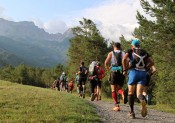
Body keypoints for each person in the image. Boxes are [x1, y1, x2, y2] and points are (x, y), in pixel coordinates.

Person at [122, 39, 154, 119]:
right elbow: (152, 62)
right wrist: (146, 68)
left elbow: (124, 59)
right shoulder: (144, 52)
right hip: (143, 74)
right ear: (139, 45)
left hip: (133, 73)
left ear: (132, 45)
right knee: (139, 93)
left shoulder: (130, 51)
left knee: (130, 92)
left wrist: (125, 70)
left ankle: (132, 112)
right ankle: (142, 100)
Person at [104, 42, 125, 111]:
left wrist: (107, 68)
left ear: (114, 46)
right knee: (119, 88)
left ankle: (116, 105)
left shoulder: (111, 53)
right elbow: (127, 62)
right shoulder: (123, 53)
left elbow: (106, 62)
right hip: (121, 72)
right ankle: (122, 93)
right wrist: (125, 70)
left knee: (113, 89)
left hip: (114, 72)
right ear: (120, 47)